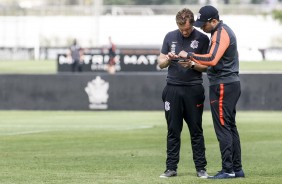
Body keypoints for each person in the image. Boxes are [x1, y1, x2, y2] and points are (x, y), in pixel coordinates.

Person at [178, 5, 245, 179]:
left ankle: (228, 169)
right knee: (230, 127)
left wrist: (190, 55)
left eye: (203, 24)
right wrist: (193, 63)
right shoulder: (220, 32)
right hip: (228, 83)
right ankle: (236, 169)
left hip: (223, 85)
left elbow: (212, 59)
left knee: (223, 127)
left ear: (213, 21)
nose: (201, 27)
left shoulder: (221, 33)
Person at [158, 8, 210, 179]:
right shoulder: (169, 36)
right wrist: (167, 59)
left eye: (187, 29)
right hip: (172, 88)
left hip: (193, 89)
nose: (184, 32)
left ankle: (201, 168)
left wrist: (192, 64)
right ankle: (171, 168)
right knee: (173, 130)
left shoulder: (202, 39)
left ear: (193, 24)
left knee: (196, 130)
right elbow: (160, 63)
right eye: (181, 29)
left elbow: (207, 66)